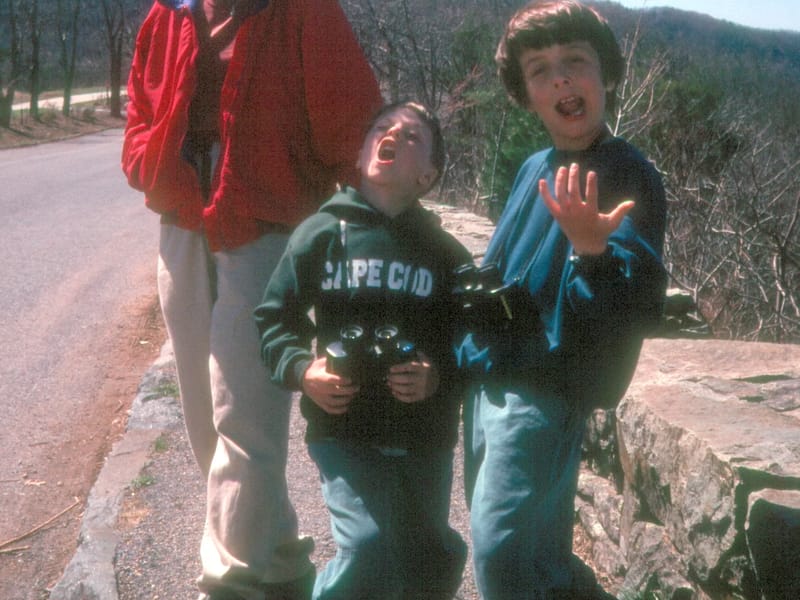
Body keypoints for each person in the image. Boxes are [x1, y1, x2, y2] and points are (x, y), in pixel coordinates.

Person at [121, 1, 382, 598]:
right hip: (182, 221)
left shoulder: (304, 11)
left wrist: (371, 230)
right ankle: (283, 562)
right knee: (204, 415)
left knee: (246, 419)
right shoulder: (169, 12)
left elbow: (353, 124)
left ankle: (230, 583)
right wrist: (146, 161)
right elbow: (139, 108)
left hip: (265, 229)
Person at [456, 2, 667, 598]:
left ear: (607, 75)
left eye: (575, 61)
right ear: (526, 94)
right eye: (540, 70)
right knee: (533, 556)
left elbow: (632, 307)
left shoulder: (626, 172)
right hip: (491, 378)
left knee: (502, 554)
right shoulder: (535, 167)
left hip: (546, 386)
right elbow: (501, 270)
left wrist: (592, 252)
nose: (561, 79)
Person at [254, 101, 470, 599]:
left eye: (411, 136)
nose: (391, 134)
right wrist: (303, 370)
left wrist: (437, 374)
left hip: (424, 432)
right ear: (360, 153)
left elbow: (470, 339)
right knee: (368, 548)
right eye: (381, 127)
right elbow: (273, 317)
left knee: (427, 554)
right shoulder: (322, 233)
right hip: (344, 427)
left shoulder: (445, 254)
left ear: (427, 176)